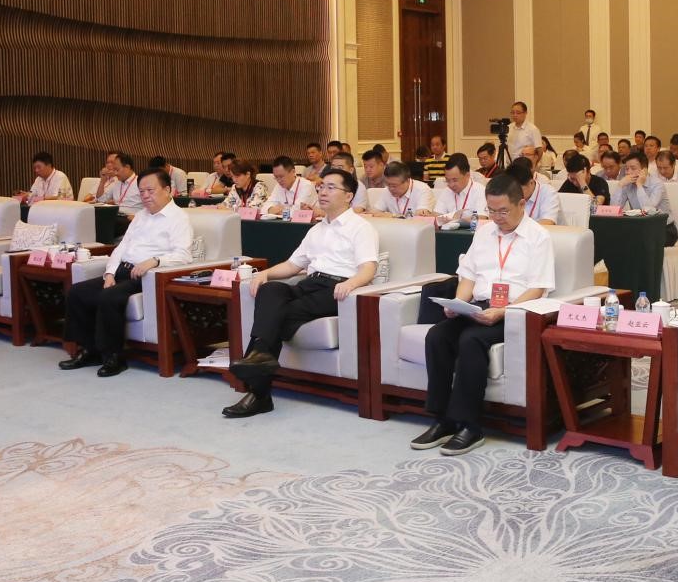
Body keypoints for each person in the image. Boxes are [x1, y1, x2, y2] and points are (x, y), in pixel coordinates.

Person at [411, 173, 554, 456]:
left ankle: (470, 425)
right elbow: (468, 276)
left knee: (471, 340)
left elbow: (538, 288)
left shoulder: (539, 237)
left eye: (503, 211)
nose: (497, 218)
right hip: (479, 305)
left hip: (516, 311)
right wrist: (457, 303)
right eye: (492, 210)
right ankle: (442, 419)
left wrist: (502, 311)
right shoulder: (484, 232)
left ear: (521, 204)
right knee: (437, 335)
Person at [223, 168, 380, 418]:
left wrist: (351, 283)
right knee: (271, 290)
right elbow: (293, 265)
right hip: (310, 283)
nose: (323, 192)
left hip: (337, 289)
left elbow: (369, 268)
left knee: (280, 313)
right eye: (321, 186)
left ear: (349, 196)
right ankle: (259, 356)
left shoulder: (361, 228)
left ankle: (258, 389)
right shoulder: (316, 230)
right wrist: (265, 274)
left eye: (331, 187)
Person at [59, 168, 193, 377]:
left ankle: (114, 356)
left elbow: (183, 255)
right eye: (142, 192)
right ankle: (89, 350)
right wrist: (109, 274)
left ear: (167, 190)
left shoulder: (179, 218)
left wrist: (155, 261)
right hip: (123, 270)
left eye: (150, 190)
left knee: (109, 297)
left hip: (148, 276)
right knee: (78, 292)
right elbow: (121, 248)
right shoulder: (140, 216)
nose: (145, 196)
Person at [614, 150, 676, 245]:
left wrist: (639, 185)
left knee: (636, 243)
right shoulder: (627, 184)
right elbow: (614, 210)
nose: (628, 172)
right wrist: (620, 185)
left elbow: (649, 211)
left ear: (644, 170)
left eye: (633, 168)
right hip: (640, 227)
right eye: (627, 169)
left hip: (663, 229)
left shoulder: (657, 184)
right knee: (615, 238)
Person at [427, 154, 483, 221]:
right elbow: (436, 215)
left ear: (467, 175)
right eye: (447, 180)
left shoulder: (479, 190)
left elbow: (481, 217)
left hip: (472, 228)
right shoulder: (447, 191)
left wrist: (455, 221)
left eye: (455, 180)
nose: (451, 185)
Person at [369, 161, 435, 217]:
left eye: (394, 186)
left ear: (407, 181)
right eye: (388, 184)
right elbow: (374, 212)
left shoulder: (423, 190)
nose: (391, 189)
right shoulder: (387, 190)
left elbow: (420, 218)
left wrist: (393, 216)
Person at [508, 158, 560, 225]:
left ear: (531, 183)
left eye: (518, 190)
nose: (515, 194)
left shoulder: (548, 192)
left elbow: (548, 222)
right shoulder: (506, 192)